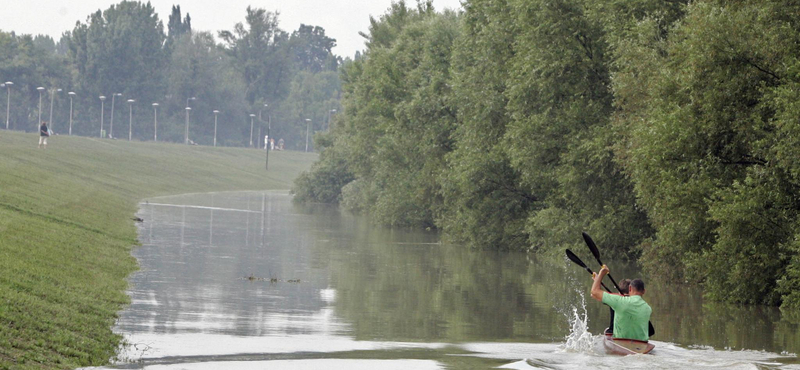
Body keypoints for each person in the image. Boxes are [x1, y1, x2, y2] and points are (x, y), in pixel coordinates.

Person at [591, 265, 651, 341]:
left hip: (621, 342)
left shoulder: (619, 301)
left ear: (630, 288)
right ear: (644, 291)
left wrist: (601, 274)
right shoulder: (648, 308)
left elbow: (594, 292)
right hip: (642, 344)